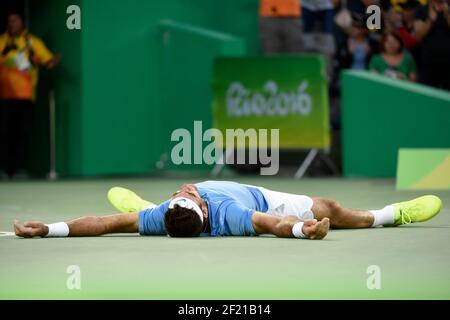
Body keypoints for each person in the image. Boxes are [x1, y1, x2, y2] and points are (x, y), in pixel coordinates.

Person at [13, 180, 442, 240]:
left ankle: (141, 201)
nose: (186, 188)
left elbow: (107, 222)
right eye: (187, 195)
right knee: (329, 205)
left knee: (131, 215)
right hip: (256, 196)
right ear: (201, 207)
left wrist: (48, 229)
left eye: (179, 195)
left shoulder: (166, 215)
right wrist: (303, 230)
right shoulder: (229, 216)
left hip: (163, 214)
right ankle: (389, 214)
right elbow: (272, 221)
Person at [0, 12, 60, 179]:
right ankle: (5, 170)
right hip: (4, 95)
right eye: (9, 21)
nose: (12, 24)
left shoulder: (32, 42)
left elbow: (47, 60)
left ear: (22, 22)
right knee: (5, 133)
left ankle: (19, 170)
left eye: (15, 20)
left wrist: (53, 61)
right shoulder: (2, 41)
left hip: (26, 96)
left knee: (23, 134)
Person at [414, 0, 450, 90]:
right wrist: (430, 19)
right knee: (424, 95)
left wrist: (447, 15)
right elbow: (418, 36)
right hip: (428, 63)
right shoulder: (421, 10)